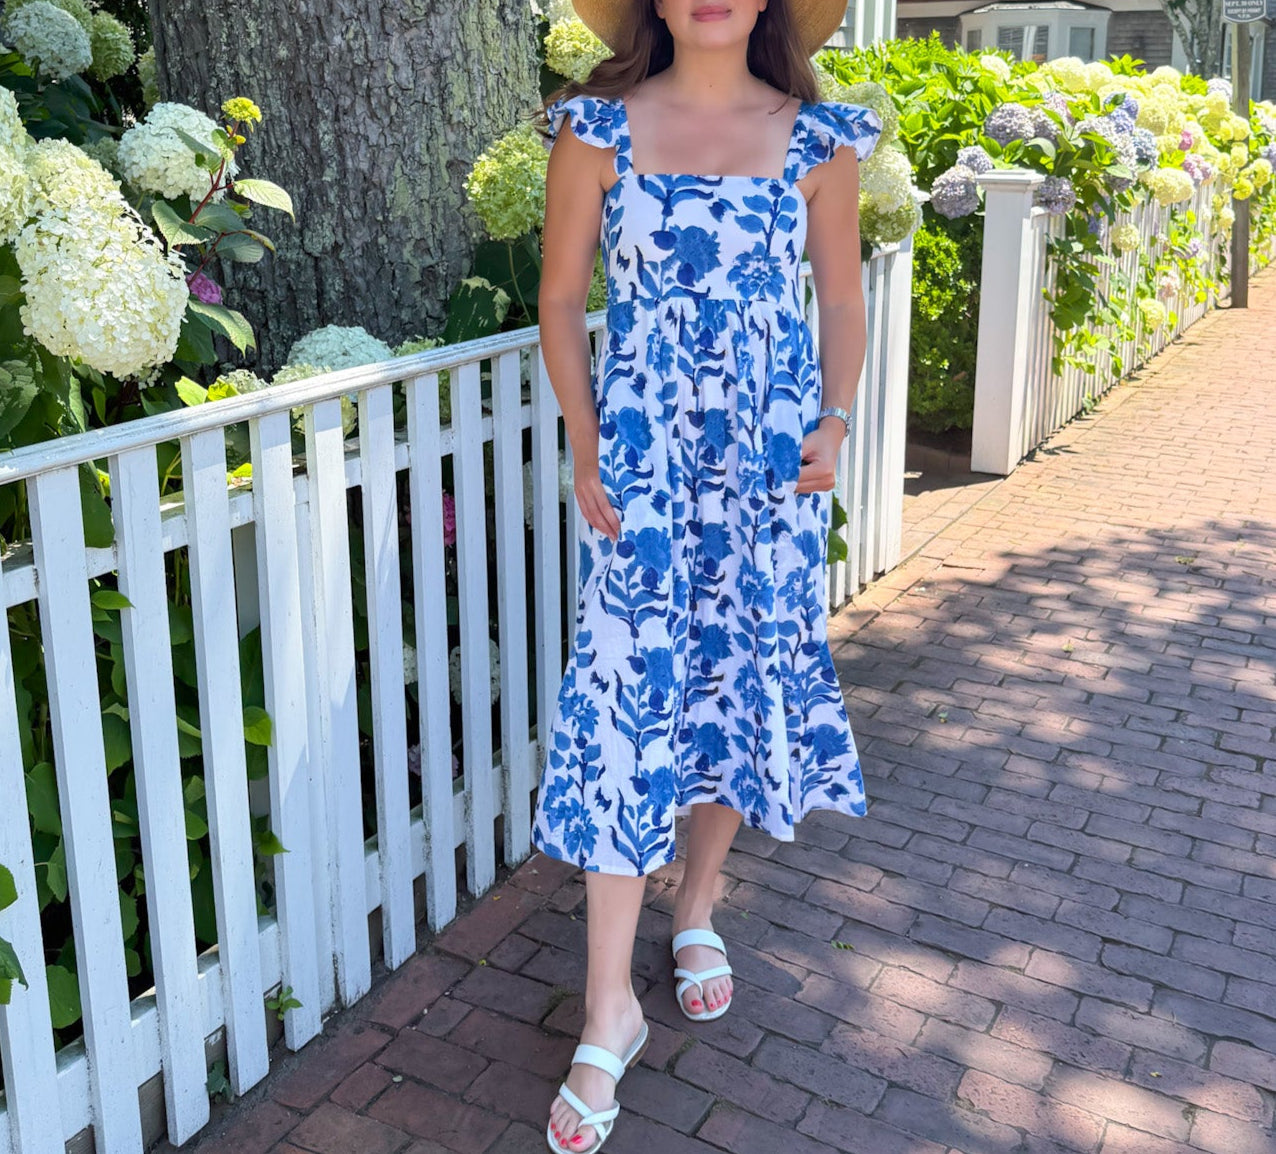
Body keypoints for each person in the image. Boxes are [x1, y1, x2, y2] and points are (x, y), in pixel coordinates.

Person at [531, 1, 881, 1149]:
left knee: (737, 677)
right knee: (625, 697)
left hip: (768, 462)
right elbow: (564, 298)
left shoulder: (820, 140)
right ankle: (606, 1006)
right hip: (642, 462)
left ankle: (698, 905)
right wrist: (586, 435)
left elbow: (839, 297)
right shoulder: (598, 129)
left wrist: (832, 420)